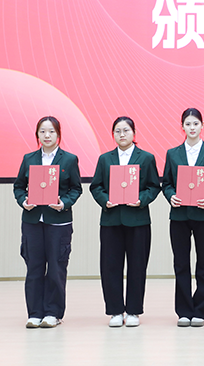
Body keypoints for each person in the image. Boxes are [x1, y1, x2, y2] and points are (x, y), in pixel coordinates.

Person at [89, 116, 161, 328]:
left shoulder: (146, 158)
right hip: (111, 220)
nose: (122, 134)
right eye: (118, 131)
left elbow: (154, 187)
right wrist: (105, 200)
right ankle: (115, 311)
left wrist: (141, 200)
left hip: (138, 220)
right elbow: (96, 187)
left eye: (126, 130)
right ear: (113, 135)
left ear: (134, 133)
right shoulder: (105, 159)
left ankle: (133, 311)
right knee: (110, 266)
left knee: (137, 266)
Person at [13, 116, 82, 329]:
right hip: (33, 221)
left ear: (58, 134)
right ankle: (34, 313)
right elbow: (18, 186)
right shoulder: (29, 158)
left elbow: (76, 189)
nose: (47, 135)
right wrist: (23, 201)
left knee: (56, 268)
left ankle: (53, 313)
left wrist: (64, 203)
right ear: (37, 135)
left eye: (51, 131)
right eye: (42, 131)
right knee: (34, 268)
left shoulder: (69, 159)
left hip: (58, 222)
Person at [162, 108, 204, 327]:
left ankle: (200, 310)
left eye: (196, 124)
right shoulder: (172, 154)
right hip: (179, 216)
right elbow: (167, 184)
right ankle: (183, 311)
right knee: (181, 263)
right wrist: (171, 196)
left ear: (202, 126)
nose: (192, 128)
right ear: (182, 127)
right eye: (188, 124)